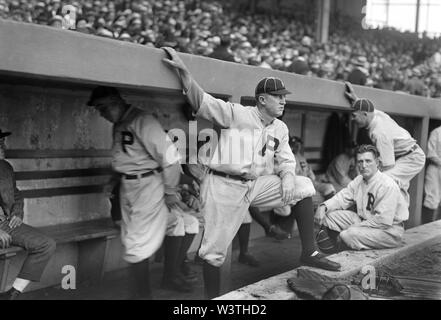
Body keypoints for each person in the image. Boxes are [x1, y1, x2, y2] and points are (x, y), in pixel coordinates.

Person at [162, 47, 340, 299]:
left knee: (303, 186)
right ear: (262, 99)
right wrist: (183, 71)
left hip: (253, 185)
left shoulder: (280, 128)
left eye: (283, 96)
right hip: (223, 186)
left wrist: (288, 176)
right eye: (277, 96)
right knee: (213, 253)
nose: (283, 100)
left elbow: (287, 160)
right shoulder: (237, 113)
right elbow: (202, 101)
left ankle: (308, 251)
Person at [87, 86, 185, 300]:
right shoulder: (119, 123)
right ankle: (165, 280)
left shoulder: (143, 120)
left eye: (103, 108)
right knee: (139, 236)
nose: (101, 114)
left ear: (116, 102)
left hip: (148, 185)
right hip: (128, 186)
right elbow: (125, 158)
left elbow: (170, 158)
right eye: (98, 109)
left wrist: (170, 191)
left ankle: (142, 296)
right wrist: (113, 180)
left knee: (136, 243)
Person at [315, 145, 408, 253]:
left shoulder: (386, 184)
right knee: (328, 216)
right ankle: (337, 250)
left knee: (348, 234)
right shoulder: (359, 180)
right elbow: (342, 198)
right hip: (365, 222)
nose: (363, 165)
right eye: (360, 161)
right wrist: (323, 206)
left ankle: (344, 250)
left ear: (377, 162)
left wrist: (356, 227)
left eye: (368, 161)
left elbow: (383, 221)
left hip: (389, 231)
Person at [344, 82, 426, 205]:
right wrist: (356, 98)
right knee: (388, 181)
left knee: (384, 181)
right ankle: (398, 214)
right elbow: (367, 108)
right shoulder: (376, 114)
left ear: (365, 115)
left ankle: (397, 215)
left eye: (354, 115)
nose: (352, 119)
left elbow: (388, 166)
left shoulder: (379, 133)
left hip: (412, 158)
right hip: (405, 155)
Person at [0, 129, 56, 300]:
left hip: (6, 223)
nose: (3, 144)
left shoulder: (5, 167)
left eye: (2, 141)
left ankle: (12, 293)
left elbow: (16, 194)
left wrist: (17, 212)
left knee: (46, 244)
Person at [422, 125, 441, 223]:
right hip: (435, 168)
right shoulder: (436, 132)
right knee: (432, 199)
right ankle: (427, 227)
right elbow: (431, 153)